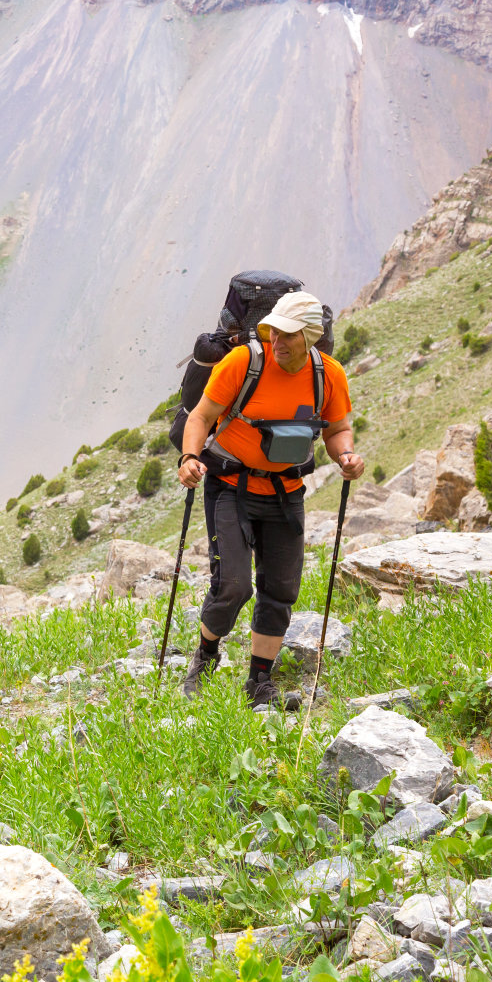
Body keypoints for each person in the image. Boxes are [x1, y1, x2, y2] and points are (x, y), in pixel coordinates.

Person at [178, 292, 364, 706]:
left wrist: (346, 457)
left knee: (280, 590)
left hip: (286, 494)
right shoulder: (243, 363)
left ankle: (259, 682)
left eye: (288, 335)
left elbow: (337, 430)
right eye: (272, 332)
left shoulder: (328, 374)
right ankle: (205, 655)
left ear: (310, 336)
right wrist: (189, 458)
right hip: (230, 486)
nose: (277, 341)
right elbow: (201, 417)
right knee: (233, 585)